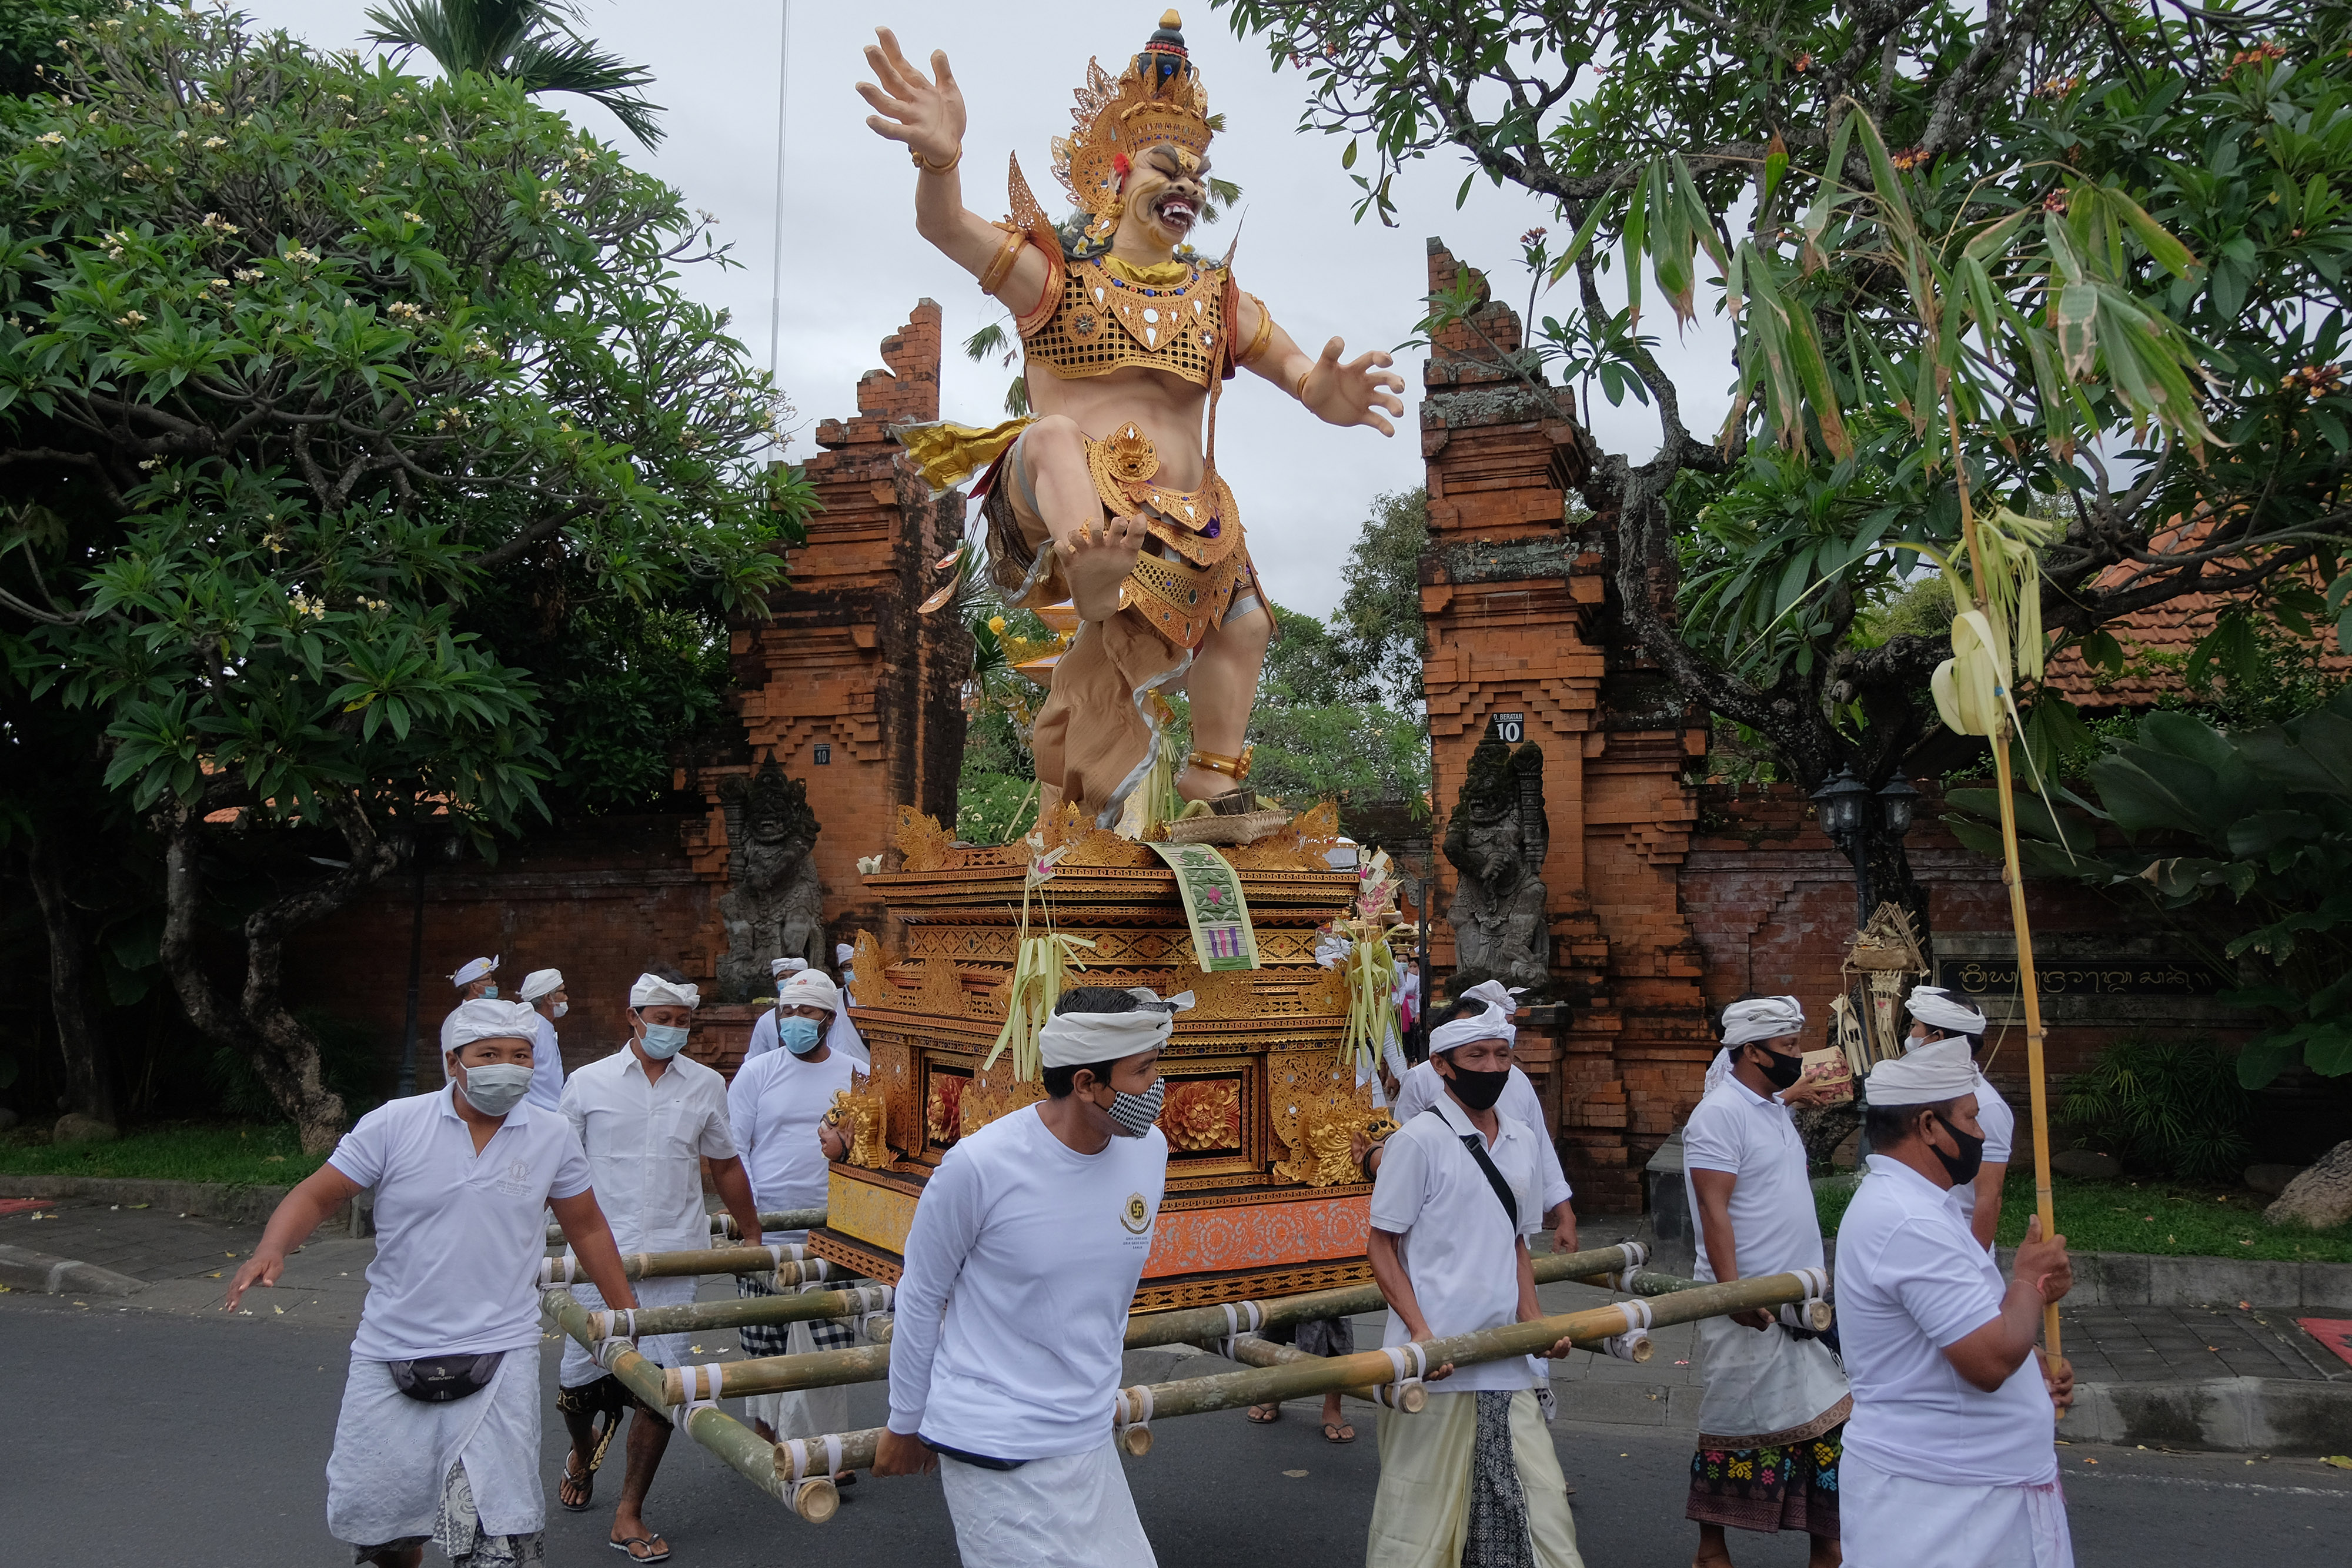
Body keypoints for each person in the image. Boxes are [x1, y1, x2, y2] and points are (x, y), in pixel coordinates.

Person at [861, 14, 1406, 827]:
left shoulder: (1222, 300)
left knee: (1249, 622)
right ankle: (1090, 574)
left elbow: (1301, 378)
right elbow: (944, 226)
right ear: (1115, 174)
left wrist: (1332, 394)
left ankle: (1213, 782)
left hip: (1184, 519)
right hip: (1062, 499)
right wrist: (941, 159)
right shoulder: (1059, 278)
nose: (1189, 184)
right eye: (1167, 165)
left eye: (1199, 171)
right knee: (1049, 435)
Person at [225, 998, 638, 1568]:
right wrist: (271, 1249)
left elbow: (587, 1227)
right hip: (391, 1347)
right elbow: (319, 1193)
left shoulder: (550, 1135)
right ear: (453, 1062)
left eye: (521, 1056)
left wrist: (626, 1315)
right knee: (383, 1529)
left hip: (500, 1351)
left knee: (501, 1533)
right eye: (488, 1055)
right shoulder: (396, 1124)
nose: (507, 1066)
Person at [873, 987, 1175, 1567]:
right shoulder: (981, 1166)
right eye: (1144, 1070)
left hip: (1086, 1435)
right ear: (1086, 1084)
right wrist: (904, 1420)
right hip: (994, 1439)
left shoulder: (1149, 1151)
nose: (1158, 1086)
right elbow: (921, 1294)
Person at [1362, 987, 1584, 1568]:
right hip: (1435, 1367)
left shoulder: (1522, 1141)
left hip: (1508, 1359)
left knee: (1546, 1525)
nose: (1491, 1068)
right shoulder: (1417, 1143)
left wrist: (1535, 1324)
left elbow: (1515, 1241)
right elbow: (1381, 1246)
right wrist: (1419, 1333)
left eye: (1501, 1056)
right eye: (1476, 1058)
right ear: (1442, 1067)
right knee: (1418, 1537)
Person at [1836, 1039, 2077, 1568]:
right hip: (1943, 1509)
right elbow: (1988, 1362)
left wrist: (2030, 1363)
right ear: (1927, 1125)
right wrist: (2029, 1282)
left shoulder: (1926, 1207)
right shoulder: (1909, 1220)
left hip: (1972, 1493)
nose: (1981, 1132)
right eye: (1970, 1117)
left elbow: (1969, 1332)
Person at [554, 969, 763, 1563]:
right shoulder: (586, 1082)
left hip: (674, 1258)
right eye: (661, 1018)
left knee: (662, 1390)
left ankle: (629, 1512)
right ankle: (583, 1445)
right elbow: (555, 1166)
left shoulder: (704, 1086)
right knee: (577, 1389)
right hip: (597, 1261)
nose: (672, 1029)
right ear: (633, 1017)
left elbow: (724, 1165)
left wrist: (749, 1234)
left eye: (681, 1021)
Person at [1681, 995, 1850, 1568]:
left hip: (1803, 1306)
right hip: (1747, 1312)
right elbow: (1713, 1208)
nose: (1796, 1057)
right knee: (1735, 1431)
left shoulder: (1771, 1106)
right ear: (1751, 1051)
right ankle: (1712, 1553)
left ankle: (1827, 1551)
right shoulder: (1718, 1115)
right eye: (1786, 1048)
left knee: (1828, 1431)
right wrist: (1733, 1295)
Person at [727, 967, 868, 1465]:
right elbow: (733, 1151)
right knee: (764, 1346)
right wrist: (749, 1227)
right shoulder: (758, 1071)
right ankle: (770, 1441)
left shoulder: (856, 1072)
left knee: (829, 1349)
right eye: (787, 1011)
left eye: (806, 1011)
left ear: (829, 1018)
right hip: (766, 1229)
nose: (794, 1020)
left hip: (832, 1232)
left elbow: (868, 1149)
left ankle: (825, 1449)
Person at [1903, 987, 2010, 1251]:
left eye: (1915, 1027)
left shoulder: (1986, 1105)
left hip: (1956, 1243)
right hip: (1910, 1234)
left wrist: (1976, 1264)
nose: (1910, 1035)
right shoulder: (1913, 1090)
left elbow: (1989, 1196)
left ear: (1936, 1037)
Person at [516, 967, 568, 1112]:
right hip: (537, 1113)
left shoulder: (544, 1026)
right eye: (562, 992)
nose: (566, 998)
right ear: (548, 998)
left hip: (551, 1112)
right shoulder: (532, 1029)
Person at [437, 955, 499, 1058]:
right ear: (474, 987)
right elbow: (452, 1058)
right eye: (489, 979)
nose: (494, 983)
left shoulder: (496, 1013)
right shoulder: (458, 1018)